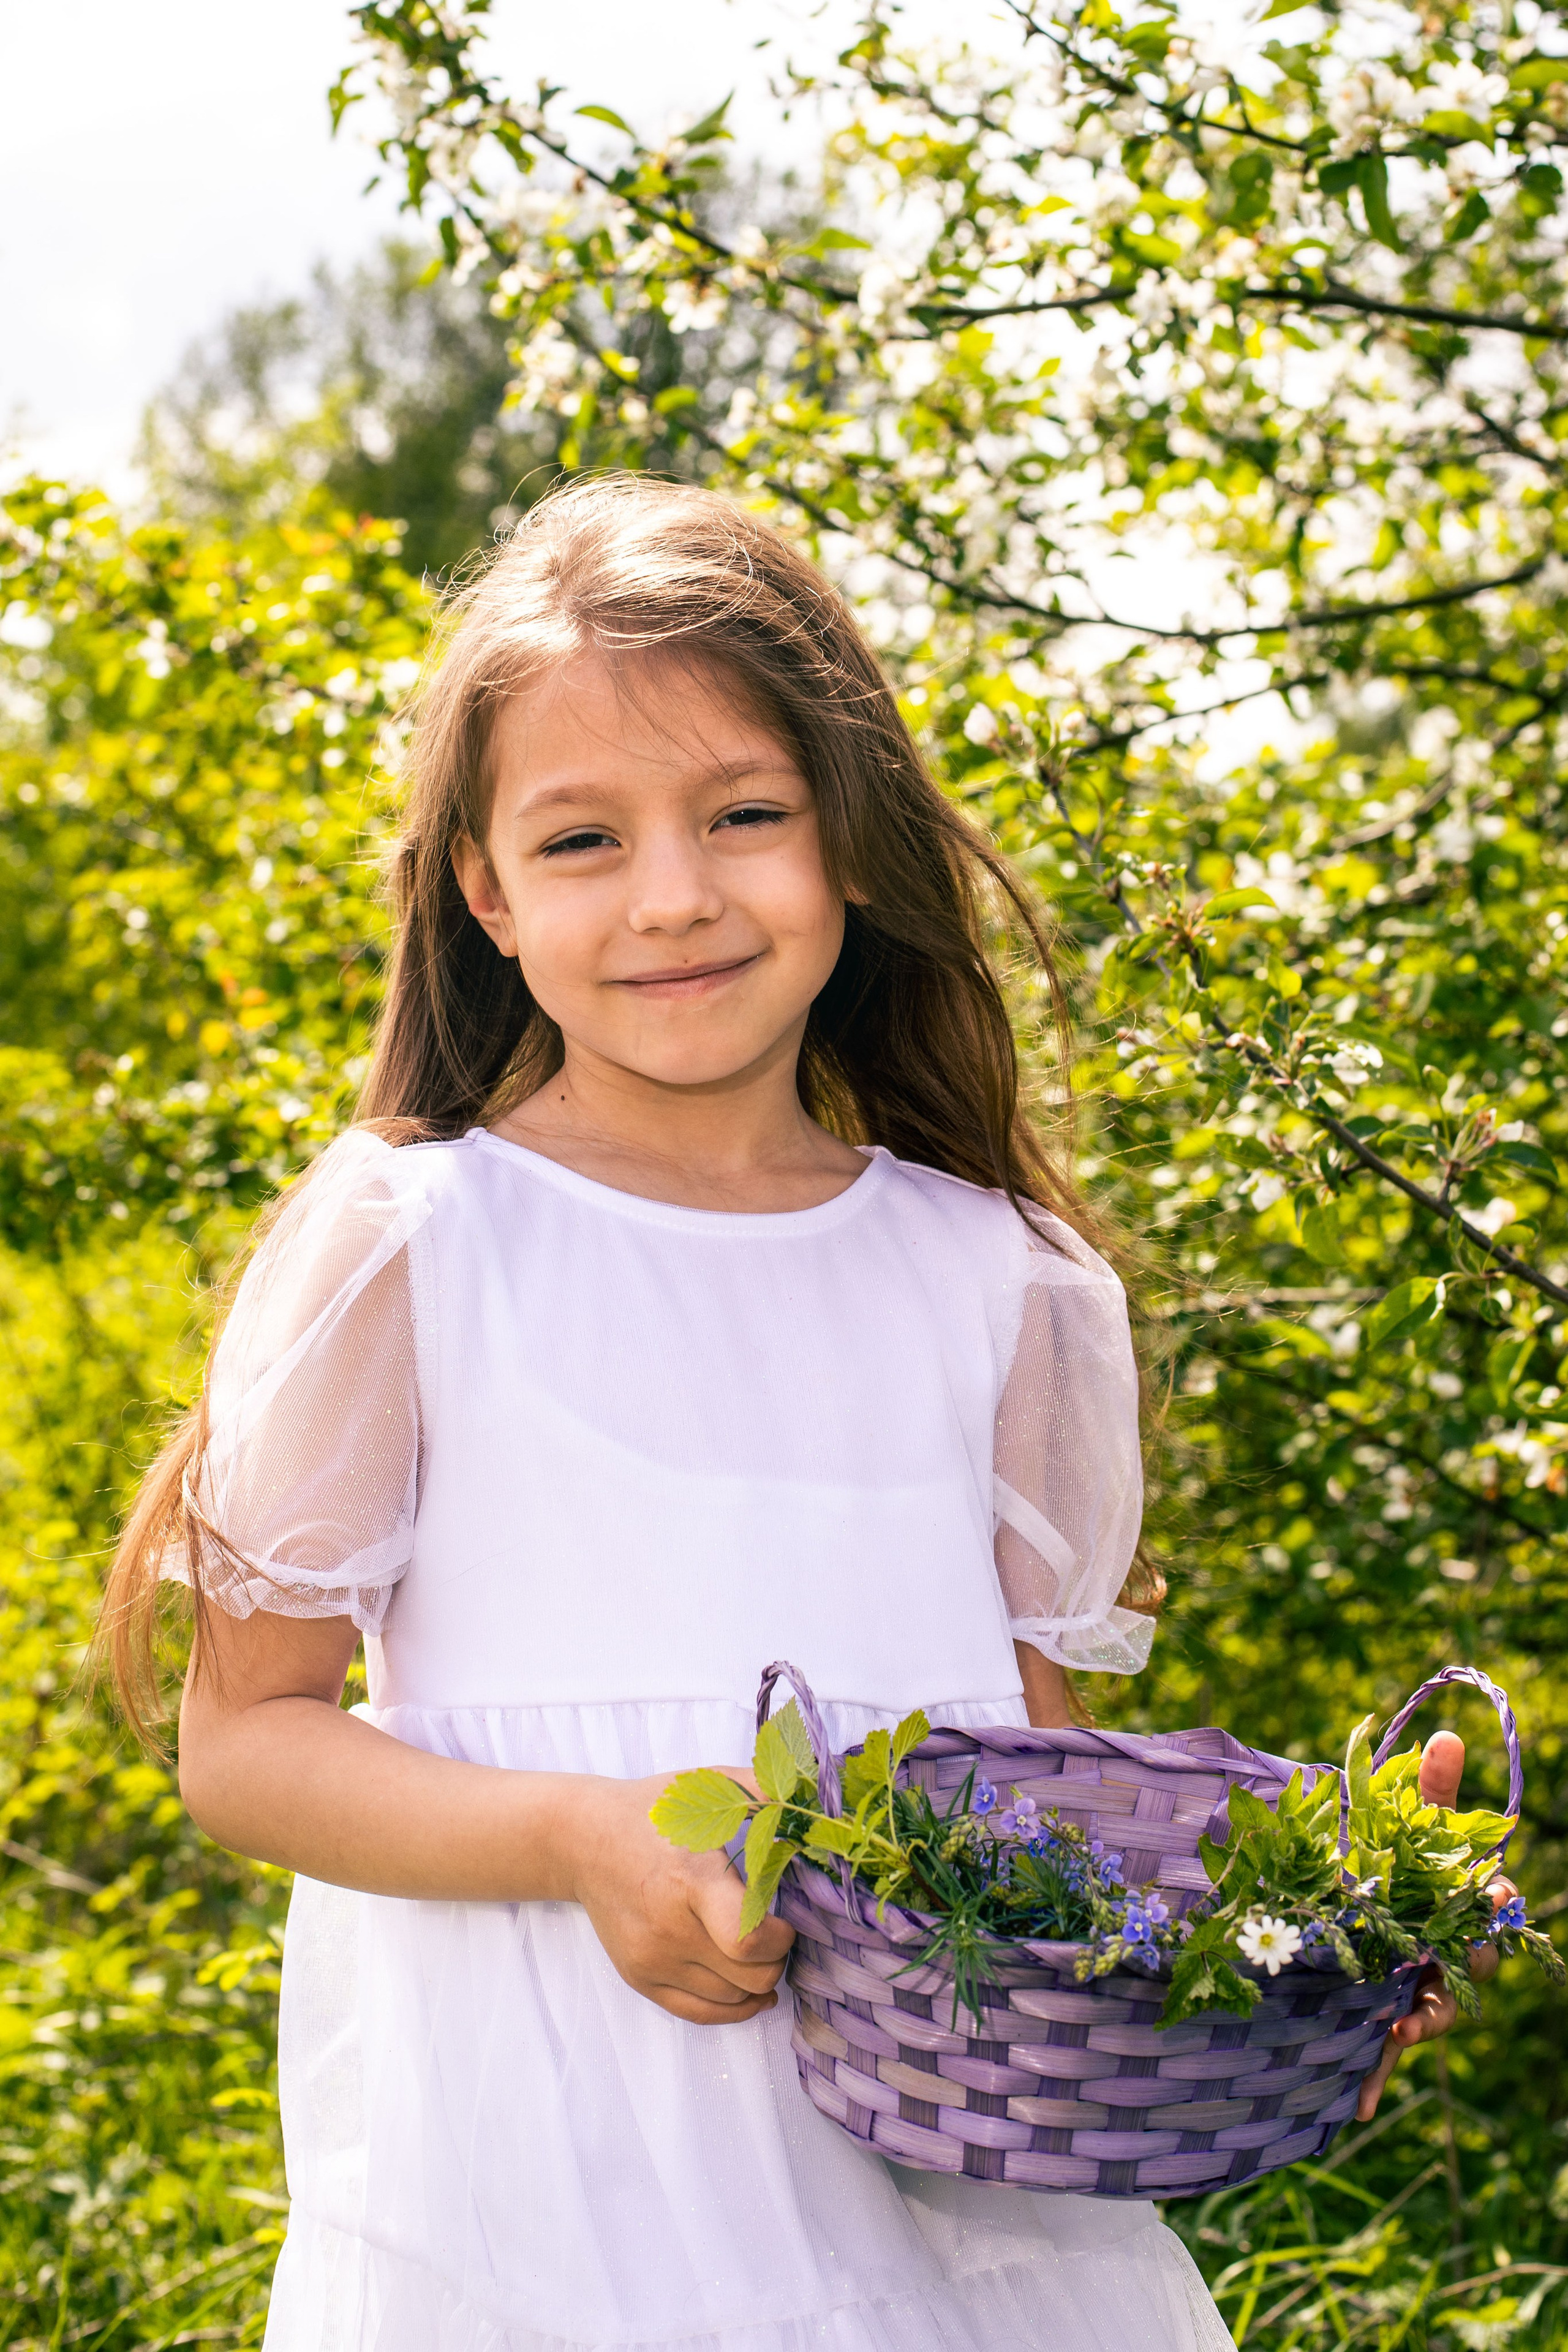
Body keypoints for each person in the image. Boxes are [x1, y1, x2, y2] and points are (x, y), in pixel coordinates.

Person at [101, 476, 1478, 2352]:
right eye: (583, 839)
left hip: (953, 2233)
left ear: (848, 840)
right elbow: (244, 1745)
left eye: (745, 814)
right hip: (549, 2196)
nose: (675, 895)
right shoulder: (411, 1243)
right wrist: (585, 1833)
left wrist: (1284, 1954)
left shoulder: (1003, 1281)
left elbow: (1047, 1798)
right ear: (487, 893)